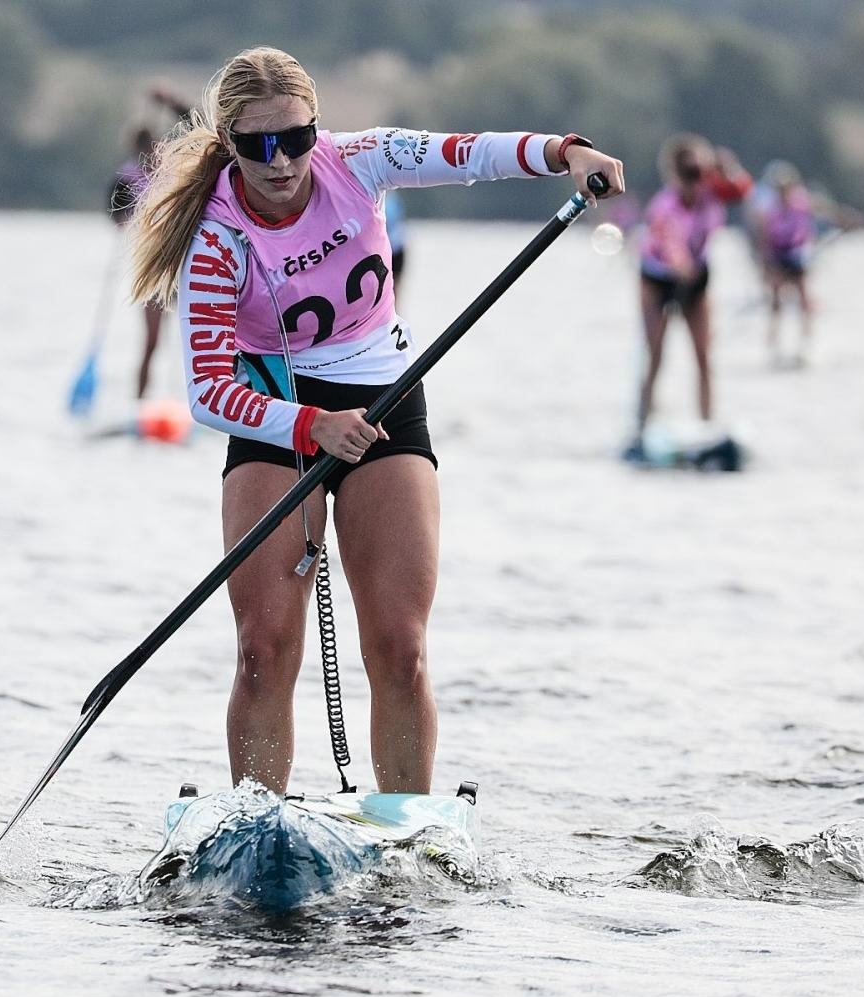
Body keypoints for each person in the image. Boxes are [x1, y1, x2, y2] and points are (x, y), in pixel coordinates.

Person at [126, 46, 623, 795]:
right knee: (263, 647)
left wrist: (566, 151)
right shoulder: (217, 238)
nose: (283, 161)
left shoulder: (358, 160)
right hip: (276, 414)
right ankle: (259, 820)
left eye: (296, 138)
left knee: (400, 647)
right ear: (228, 143)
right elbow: (205, 391)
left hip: (386, 400)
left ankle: (409, 826)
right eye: (259, 145)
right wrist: (308, 426)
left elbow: (468, 154)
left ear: (315, 129)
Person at [630, 133, 751, 451]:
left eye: (698, 174)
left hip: (697, 279)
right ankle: (642, 426)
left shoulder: (712, 191)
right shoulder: (664, 207)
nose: (694, 183)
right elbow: (670, 247)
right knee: (655, 355)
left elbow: (742, 191)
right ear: (673, 175)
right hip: (658, 280)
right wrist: (681, 265)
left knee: (703, 357)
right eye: (687, 176)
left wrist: (729, 168)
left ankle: (707, 425)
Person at [108, 86, 194, 399]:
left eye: (155, 146)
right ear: (139, 149)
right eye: (147, 148)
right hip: (154, 270)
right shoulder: (128, 177)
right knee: (151, 343)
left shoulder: (173, 168)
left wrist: (171, 101)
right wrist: (121, 219)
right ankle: (139, 404)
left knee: (193, 346)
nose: (153, 152)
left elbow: (193, 124)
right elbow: (114, 208)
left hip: (183, 267)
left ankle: (195, 406)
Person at [753, 161, 817, 369]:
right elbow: (764, 237)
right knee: (775, 301)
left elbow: (812, 226)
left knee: (804, 299)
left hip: (796, 254)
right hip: (778, 255)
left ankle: (806, 344)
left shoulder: (802, 204)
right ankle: (774, 346)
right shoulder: (769, 210)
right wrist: (764, 263)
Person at [383, 189, 408, 306]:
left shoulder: (392, 199)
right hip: (387, 250)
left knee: (394, 289)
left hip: (396, 249)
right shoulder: (392, 198)